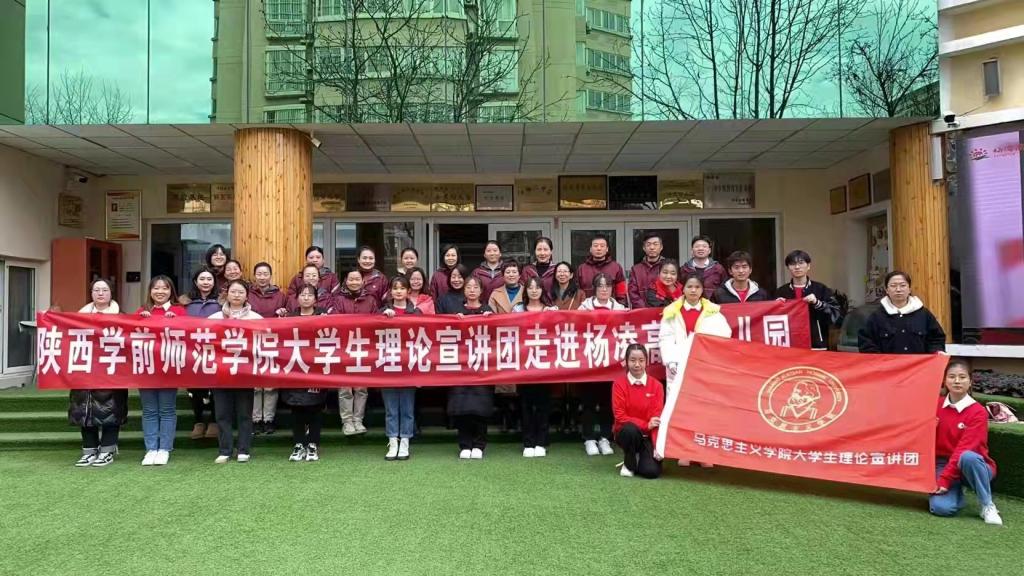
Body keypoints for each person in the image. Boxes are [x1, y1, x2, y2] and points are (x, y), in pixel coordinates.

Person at [659, 273, 732, 467]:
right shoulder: (672, 311)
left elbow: (724, 335)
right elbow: (665, 338)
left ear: (702, 290)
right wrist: (671, 360)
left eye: (697, 287)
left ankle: (704, 453)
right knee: (682, 409)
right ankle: (684, 451)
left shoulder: (713, 312)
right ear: (683, 288)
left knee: (705, 409)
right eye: (689, 286)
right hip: (679, 366)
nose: (693, 290)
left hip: (704, 366)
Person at [930, 359, 1002, 525]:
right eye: (952, 377)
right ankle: (957, 494)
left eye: (962, 377)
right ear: (944, 380)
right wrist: (930, 428)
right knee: (941, 508)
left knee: (967, 457)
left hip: (973, 465)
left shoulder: (978, 412)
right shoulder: (935, 405)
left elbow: (964, 449)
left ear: (970, 381)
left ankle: (987, 505)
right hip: (943, 464)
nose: (957, 381)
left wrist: (945, 479)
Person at [71, 280, 127, 467]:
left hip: (111, 370)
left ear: (111, 293)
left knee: (111, 410)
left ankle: (107, 450)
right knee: (85, 410)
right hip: (85, 369)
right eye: (96, 290)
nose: (100, 293)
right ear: (91, 293)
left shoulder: (122, 317)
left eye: (104, 290)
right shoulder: (77, 318)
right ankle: (89, 450)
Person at [208, 280, 262, 463]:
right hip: (221, 373)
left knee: (244, 413)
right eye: (233, 291)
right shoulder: (215, 318)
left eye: (241, 292)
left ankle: (243, 449)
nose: (237, 295)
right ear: (227, 294)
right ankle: (225, 450)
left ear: (247, 295)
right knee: (222, 413)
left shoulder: (255, 318)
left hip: (245, 373)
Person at [135, 275, 186, 466]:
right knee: (149, 410)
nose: (160, 292)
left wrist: (176, 322)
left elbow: (188, 335)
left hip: (168, 368)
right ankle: (151, 449)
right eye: (156, 288)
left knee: (167, 409)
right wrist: (140, 321)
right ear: (150, 291)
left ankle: (164, 448)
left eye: (165, 288)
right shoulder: (142, 311)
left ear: (171, 291)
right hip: (146, 368)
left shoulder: (178, 311)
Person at [578, 273, 627, 456]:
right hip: (589, 363)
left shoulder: (621, 309)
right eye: (600, 286)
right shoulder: (584, 308)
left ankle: (605, 437)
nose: (604, 289)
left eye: (607, 286)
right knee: (588, 402)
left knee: (608, 403)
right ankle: (589, 438)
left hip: (611, 364)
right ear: (595, 288)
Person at [447, 276, 494, 460]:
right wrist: (454, 322)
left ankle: (479, 444)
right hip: (461, 367)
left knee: (481, 407)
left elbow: (496, 337)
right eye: (469, 287)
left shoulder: (488, 310)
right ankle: (465, 444)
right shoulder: (456, 311)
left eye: (475, 287)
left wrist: (491, 321)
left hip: (482, 366)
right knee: (462, 406)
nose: (472, 290)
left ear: (481, 291)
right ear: (464, 290)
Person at [283, 284, 330, 462]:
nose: (306, 298)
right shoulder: (289, 317)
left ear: (316, 299)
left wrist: (327, 322)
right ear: (297, 298)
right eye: (302, 295)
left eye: (310, 295)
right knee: (297, 409)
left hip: (316, 369)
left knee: (315, 408)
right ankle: (298, 443)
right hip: (295, 368)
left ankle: (313, 444)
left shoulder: (323, 316)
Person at [380, 276, 421, 461]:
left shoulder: (416, 312)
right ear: (390, 291)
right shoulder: (382, 311)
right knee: (391, 408)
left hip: (409, 365)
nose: (398, 291)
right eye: (395, 288)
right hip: (388, 365)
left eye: (402, 288)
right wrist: (384, 317)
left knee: (407, 407)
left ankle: (405, 440)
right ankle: (392, 440)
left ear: (408, 291)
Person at [516, 277, 558, 458]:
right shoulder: (517, 310)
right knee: (525, 405)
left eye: (537, 287)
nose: (534, 291)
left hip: (544, 365)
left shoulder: (550, 310)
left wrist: (554, 314)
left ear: (542, 290)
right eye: (530, 287)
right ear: (525, 290)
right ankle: (528, 442)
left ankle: (541, 441)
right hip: (524, 365)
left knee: (543, 405)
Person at [334, 269, 378, 435]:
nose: (354, 282)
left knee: (361, 388)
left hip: (364, 348)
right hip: (344, 348)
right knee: (345, 388)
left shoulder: (371, 300)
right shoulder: (338, 300)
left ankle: (358, 420)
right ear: (346, 281)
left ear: (363, 281)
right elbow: (335, 322)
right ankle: (347, 421)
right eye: (351, 279)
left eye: (357, 279)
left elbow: (376, 322)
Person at [858, 271, 946, 354]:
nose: (898, 289)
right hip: (888, 364)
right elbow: (866, 343)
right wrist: (880, 360)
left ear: (909, 289)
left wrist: (935, 352)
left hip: (918, 364)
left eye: (903, 285)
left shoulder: (923, 314)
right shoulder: (876, 316)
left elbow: (937, 338)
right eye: (893, 286)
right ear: (887, 290)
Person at [612, 344, 665, 479]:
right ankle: (629, 462)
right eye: (633, 360)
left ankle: (640, 456)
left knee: (651, 472)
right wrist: (645, 425)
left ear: (646, 361)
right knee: (630, 429)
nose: (637, 364)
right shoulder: (619, 384)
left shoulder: (657, 386)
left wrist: (657, 447)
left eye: (641, 360)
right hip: (626, 434)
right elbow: (620, 416)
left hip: (647, 436)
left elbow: (656, 419)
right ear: (626, 361)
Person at [249, 262, 288, 435]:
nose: (262, 277)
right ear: (254, 276)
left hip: (273, 341)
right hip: (252, 341)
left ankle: (269, 419)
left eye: (265, 274)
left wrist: (283, 313)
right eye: (259, 274)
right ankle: (256, 419)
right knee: (256, 384)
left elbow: (287, 315)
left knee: (271, 384)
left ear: (270, 276)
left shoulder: (280, 295)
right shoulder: (248, 294)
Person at [774, 250, 841, 350]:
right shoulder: (781, 292)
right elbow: (772, 320)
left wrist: (817, 303)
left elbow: (835, 315)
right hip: (789, 345)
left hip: (816, 345)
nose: (797, 267)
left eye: (801, 263)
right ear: (788, 267)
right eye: (792, 264)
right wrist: (776, 307)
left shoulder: (821, 289)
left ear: (808, 266)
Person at [184, 268, 222, 441]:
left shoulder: (221, 302)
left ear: (214, 282)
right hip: (192, 350)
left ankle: (214, 421)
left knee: (215, 387)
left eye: (209, 279)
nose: (206, 282)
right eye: (202, 279)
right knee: (194, 387)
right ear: (195, 281)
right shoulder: (186, 303)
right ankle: (198, 421)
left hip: (215, 350)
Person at [576, 234, 627, 303]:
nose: (599, 248)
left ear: (607, 249)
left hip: (611, 308)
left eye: (602, 246)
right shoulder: (582, 269)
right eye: (595, 246)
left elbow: (621, 292)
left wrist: (622, 305)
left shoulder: (616, 267)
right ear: (590, 249)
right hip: (587, 307)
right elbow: (577, 292)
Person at [628, 232, 666, 309]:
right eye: (648, 244)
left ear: (661, 247)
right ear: (644, 248)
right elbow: (633, 293)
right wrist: (645, 309)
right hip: (641, 312)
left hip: (664, 311)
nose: (652, 247)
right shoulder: (636, 269)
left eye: (655, 244)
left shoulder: (668, 267)